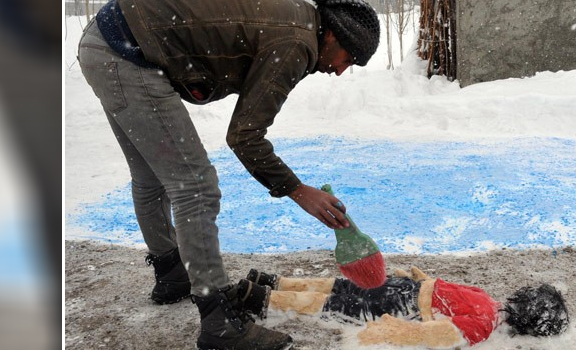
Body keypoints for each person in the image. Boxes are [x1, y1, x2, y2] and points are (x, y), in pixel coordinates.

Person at [76, 0, 380, 349]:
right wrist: (298, 190)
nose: (342, 71)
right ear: (333, 37)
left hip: (109, 40)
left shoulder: (295, 20)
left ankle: (173, 274)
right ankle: (220, 321)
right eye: (349, 59)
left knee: (151, 176)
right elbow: (244, 136)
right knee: (196, 186)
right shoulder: (297, 42)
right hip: (128, 53)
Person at [232, 266, 570, 348]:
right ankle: (256, 299)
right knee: (331, 304)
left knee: (337, 286)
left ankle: (269, 281)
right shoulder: (485, 324)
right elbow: (437, 333)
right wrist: (395, 330)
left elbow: (441, 287)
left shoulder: (487, 297)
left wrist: (418, 276)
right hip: (403, 303)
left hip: (406, 286)